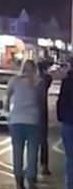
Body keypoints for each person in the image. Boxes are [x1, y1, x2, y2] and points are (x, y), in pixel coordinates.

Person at [6, 59, 40, 189]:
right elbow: (40, 101)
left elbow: (7, 96)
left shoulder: (15, 80)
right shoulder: (37, 83)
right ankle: (31, 178)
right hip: (32, 121)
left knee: (17, 151)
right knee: (32, 152)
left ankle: (19, 180)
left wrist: (7, 112)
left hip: (16, 120)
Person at [57, 59, 73, 189]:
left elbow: (61, 102)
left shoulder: (67, 82)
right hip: (68, 120)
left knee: (70, 157)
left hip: (68, 121)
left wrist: (61, 117)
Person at [37, 60, 53, 176]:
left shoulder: (44, 79)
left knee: (39, 141)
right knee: (42, 141)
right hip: (41, 112)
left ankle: (42, 165)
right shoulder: (45, 79)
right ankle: (43, 165)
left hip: (37, 112)